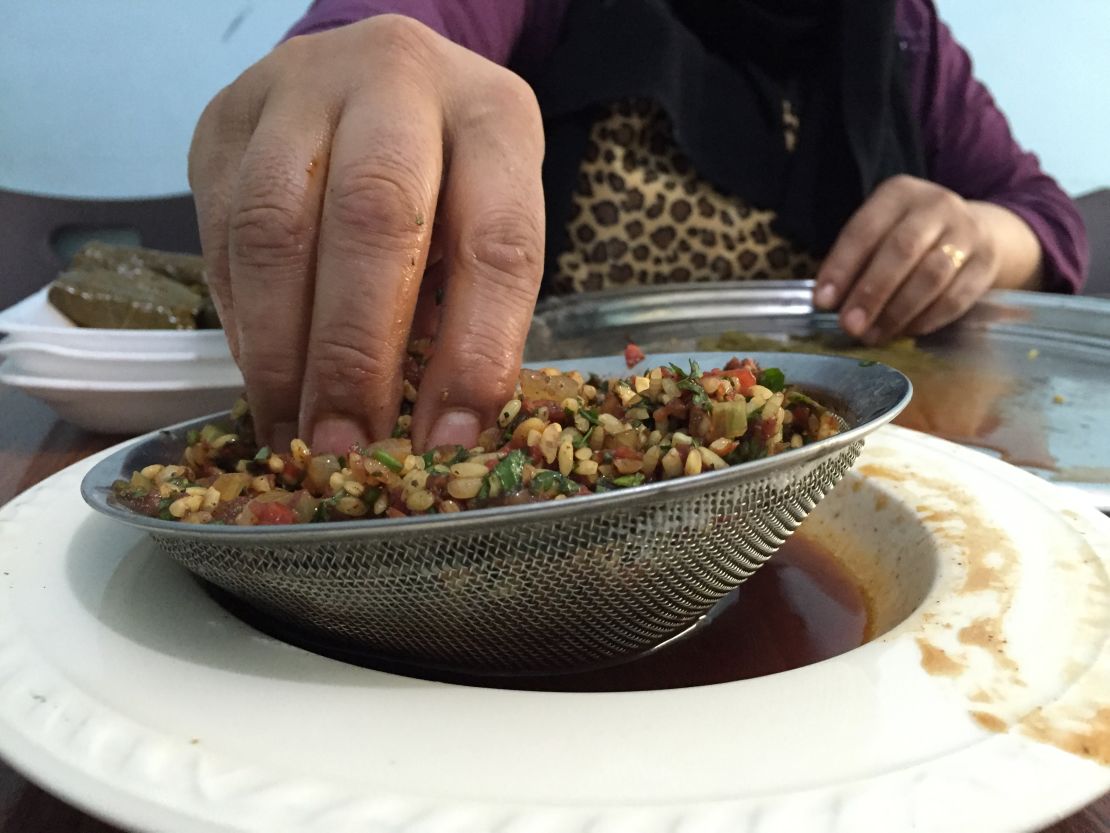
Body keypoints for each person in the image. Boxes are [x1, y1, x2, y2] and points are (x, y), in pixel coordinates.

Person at [187, 0, 1088, 455]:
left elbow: (1043, 221)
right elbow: (393, 35)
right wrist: (363, 69)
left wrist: (977, 232)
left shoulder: (905, 38)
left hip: (872, 460)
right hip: (561, 461)